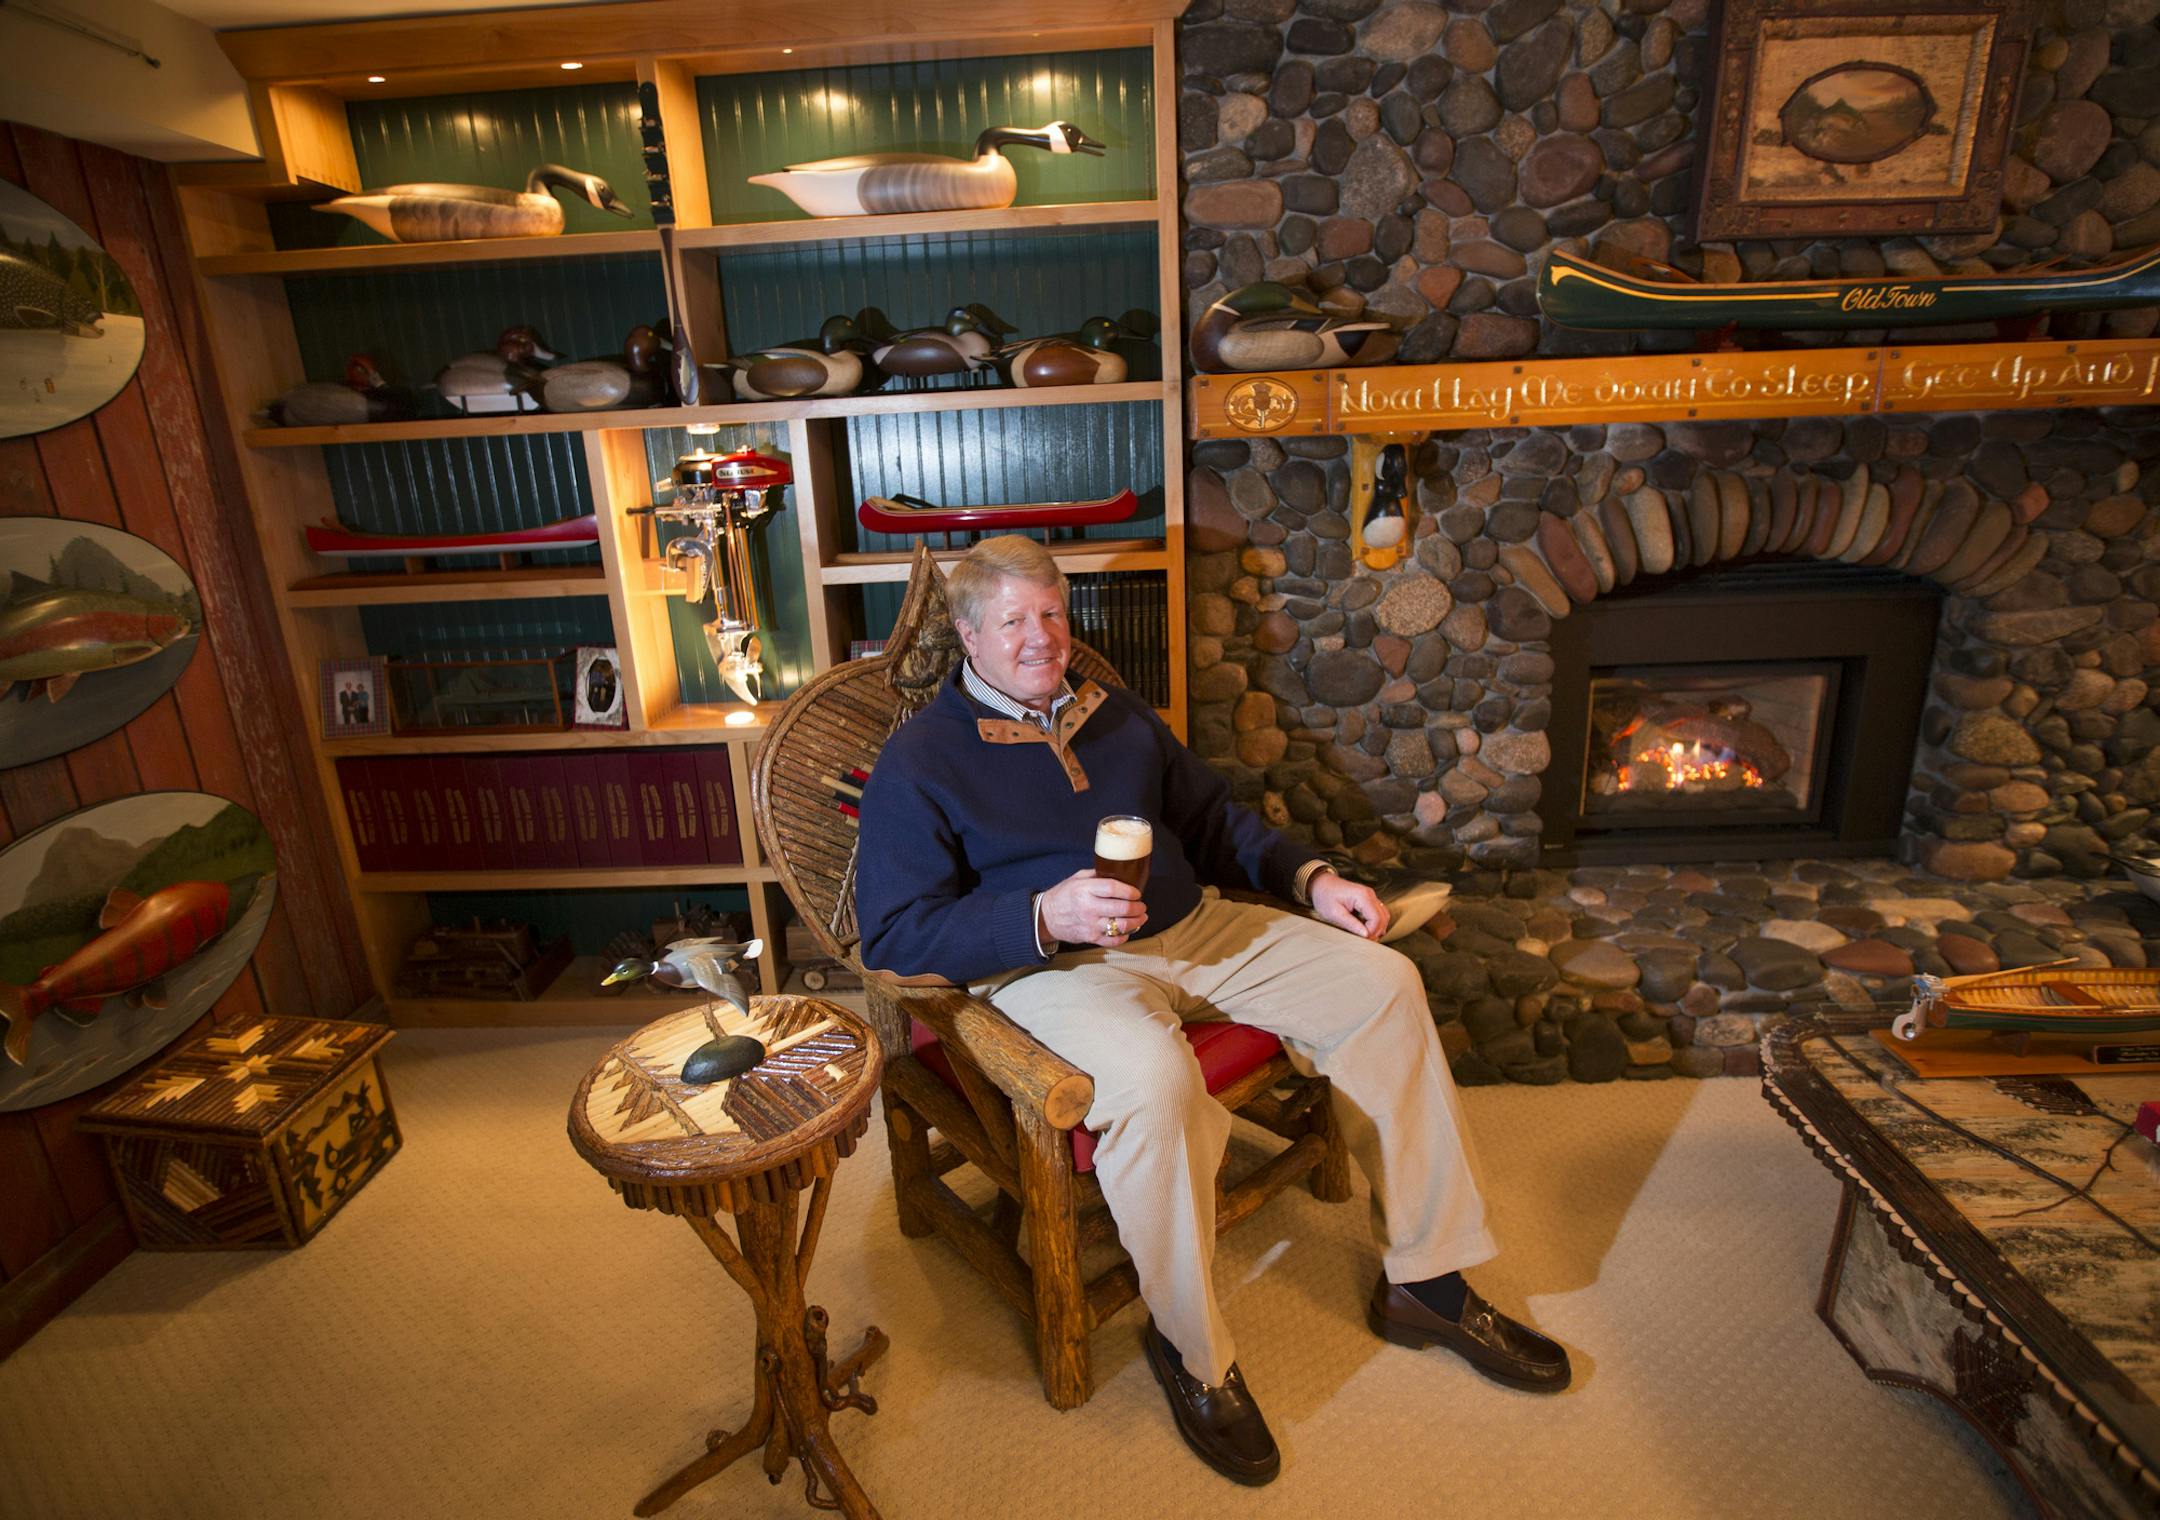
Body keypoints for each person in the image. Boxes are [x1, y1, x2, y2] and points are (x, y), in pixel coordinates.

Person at [856, 535, 1568, 1486]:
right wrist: (1039, 914)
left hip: (1197, 929)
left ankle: (1428, 1282)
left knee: (1386, 986)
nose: (1043, 638)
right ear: (971, 636)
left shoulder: (1115, 715)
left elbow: (1213, 823)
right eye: (1017, 620)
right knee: (1153, 1081)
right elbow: (896, 934)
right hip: (1058, 970)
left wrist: (1310, 880)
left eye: (1054, 614)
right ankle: (1195, 1354)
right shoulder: (921, 759)